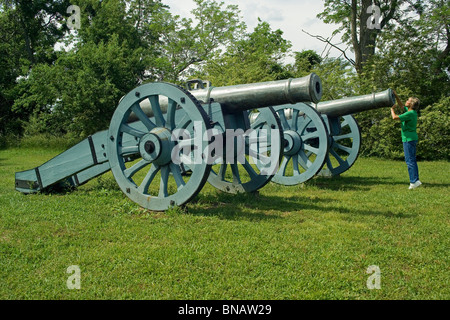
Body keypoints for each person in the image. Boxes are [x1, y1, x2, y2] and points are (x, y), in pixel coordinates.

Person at [390, 90, 422, 189]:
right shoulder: (411, 112)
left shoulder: (410, 113)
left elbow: (395, 117)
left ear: (411, 104)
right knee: (412, 160)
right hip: (411, 138)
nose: (406, 101)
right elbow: (401, 105)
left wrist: (391, 109)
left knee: (409, 161)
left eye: (408, 100)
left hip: (408, 139)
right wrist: (396, 96)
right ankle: (416, 180)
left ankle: (413, 182)